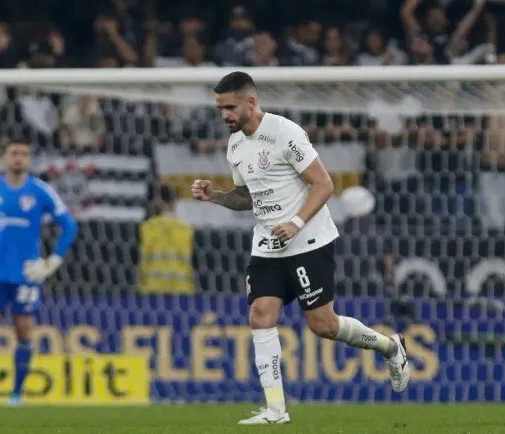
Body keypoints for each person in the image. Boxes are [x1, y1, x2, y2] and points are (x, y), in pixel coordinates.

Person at [191, 72, 410, 425]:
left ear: (250, 102)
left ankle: (390, 346)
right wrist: (213, 196)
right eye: (220, 109)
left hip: (307, 240)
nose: (224, 115)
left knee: (323, 325)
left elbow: (324, 184)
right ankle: (276, 410)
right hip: (267, 245)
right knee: (260, 315)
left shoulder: (285, 132)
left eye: (229, 107)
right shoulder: (235, 146)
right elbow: (247, 197)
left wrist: (295, 222)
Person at [0, 138, 78, 406]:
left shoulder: (41, 191)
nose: (19, 158)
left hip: (26, 275)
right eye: (14, 153)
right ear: (5, 158)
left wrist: (52, 262)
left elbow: (69, 225)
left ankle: (16, 395)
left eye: (24, 153)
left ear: (30, 159)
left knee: (24, 331)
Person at [138, 185, 195, 293]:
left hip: (152, 288)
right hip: (181, 289)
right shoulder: (186, 229)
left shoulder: (146, 228)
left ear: (158, 201)